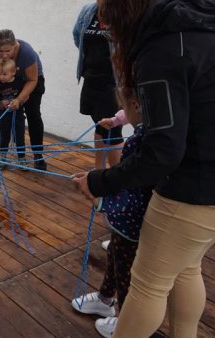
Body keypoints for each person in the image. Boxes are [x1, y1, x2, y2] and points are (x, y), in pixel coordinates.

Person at [72, 0, 215, 337]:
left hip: (201, 189)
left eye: (112, 30)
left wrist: (100, 182)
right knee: (185, 268)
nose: (113, 40)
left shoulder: (161, 52)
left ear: (125, 21)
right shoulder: (211, 33)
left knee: (148, 283)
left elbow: (162, 152)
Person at [71, 86, 151, 338]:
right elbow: (132, 112)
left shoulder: (143, 143)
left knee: (127, 272)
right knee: (115, 255)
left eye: (124, 107)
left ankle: (125, 321)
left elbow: (135, 190)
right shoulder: (152, 118)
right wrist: (117, 120)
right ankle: (105, 300)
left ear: (137, 106)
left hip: (133, 222)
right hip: (125, 224)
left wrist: (101, 202)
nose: (121, 113)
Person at [72, 0, 123, 169]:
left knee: (113, 131)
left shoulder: (123, 16)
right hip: (91, 80)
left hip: (112, 84)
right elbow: (78, 36)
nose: (100, 0)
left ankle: (116, 179)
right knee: (99, 126)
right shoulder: (88, 12)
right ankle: (99, 171)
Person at [0, 29, 47, 170]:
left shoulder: (27, 53)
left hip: (30, 80)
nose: (4, 55)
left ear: (15, 45)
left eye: (8, 51)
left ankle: (38, 154)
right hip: (4, 79)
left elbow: (32, 79)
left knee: (33, 113)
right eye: (0, 51)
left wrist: (19, 100)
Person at [0, 58, 26, 166]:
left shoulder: (20, 81)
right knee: (4, 134)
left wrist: (18, 102)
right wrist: (0, 103)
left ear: (13, 72)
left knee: (19, 135)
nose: (1, 77)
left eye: (4, 74)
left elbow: (26, 95)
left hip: (18, 113)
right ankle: (3, 157)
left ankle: (22, 157)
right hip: (3, 113)